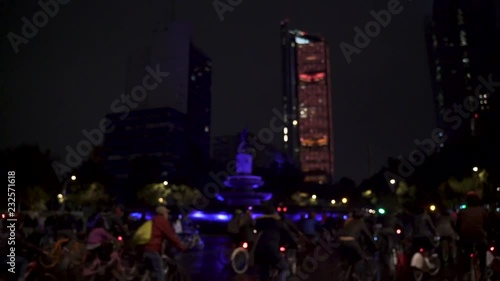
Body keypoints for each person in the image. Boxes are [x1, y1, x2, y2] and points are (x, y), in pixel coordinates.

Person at [254, 204, 296, 281]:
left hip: (259, 252)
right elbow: (288, 235)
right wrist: (295, 244)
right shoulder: (278, 223)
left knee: (263, 272)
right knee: (284, 268)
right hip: (272, 251)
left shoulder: (259, 222)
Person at [143, 206, 185, 281]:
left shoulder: (153, 220)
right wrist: (182, 247)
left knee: (151, 270)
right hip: (152, 249)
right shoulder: (162, 221)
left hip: (145, 248)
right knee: (160, 272)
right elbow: (171, 236)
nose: (168, 215)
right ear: (163, 213)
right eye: (167, 213)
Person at [457, 192, 489, 281]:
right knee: (482, 255)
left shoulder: (462, 212)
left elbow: (457, 225)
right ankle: (483, 273)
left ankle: (465, 272)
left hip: (466, 238)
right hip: (480, 237)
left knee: (465, 254)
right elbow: (487, 224)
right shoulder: (483, 211)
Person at [337, 208, 377, 277]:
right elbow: (368, 236)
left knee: (347, 257)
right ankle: (355, 274)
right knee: (360, 257)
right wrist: (375, 245)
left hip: (340, 241)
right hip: (351, 242)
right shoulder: (360, 222)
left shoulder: (348, 221)